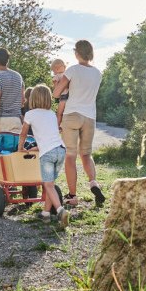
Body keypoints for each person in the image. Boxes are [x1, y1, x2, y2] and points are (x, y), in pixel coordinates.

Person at [53, 40, 104, 207]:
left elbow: (56, 93)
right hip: (90, 117)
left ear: (77, 53)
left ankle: (73, 196)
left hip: (72, 114)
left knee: (70, 156)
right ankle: (94, 183)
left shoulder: (72, 70)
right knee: (86, 155)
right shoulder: (98, 73)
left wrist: (57, 84)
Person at [19, 84, 69, 228]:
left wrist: (21, 148)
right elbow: (49, 136)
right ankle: (46, 214)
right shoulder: (52, 114)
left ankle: (60, 211)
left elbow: (23, 134)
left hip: (47, 154)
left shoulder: (30, 114)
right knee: (50, 184)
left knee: (47, 184)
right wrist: (38, 147)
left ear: (32, 99)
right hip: (60, 150)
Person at [0, 47, 24, 136]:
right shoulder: (18, 76)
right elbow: (22, 99)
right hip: (16, 120)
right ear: (8, 60)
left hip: (0, 120)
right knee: (15, 149)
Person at [50, 58, 69, 123]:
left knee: (59, 113)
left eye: (53, 70)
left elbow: (56, 89)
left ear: (56, 69)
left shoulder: (57, 76)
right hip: (70, 96)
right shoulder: (67, 74)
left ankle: (57, 125)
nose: (53, 72)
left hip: (63, 96)